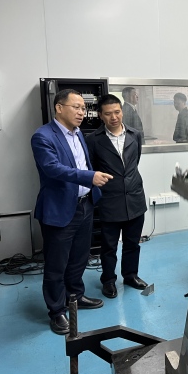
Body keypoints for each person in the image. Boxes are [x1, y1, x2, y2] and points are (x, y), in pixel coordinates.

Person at [31, 89, 113, 335]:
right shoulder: (43, 136)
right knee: (56, 264)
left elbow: (82, 162)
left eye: (84, 108)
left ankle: (75, 296)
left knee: (79, 257)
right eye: (76, 107)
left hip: (84, 205)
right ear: (59, 108)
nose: (82, 113)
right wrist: (90, 177)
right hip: (59, 209)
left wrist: (90, 187)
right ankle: (57, 311)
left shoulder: (78, 134)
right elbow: (53, 168)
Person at [86, 94, 148, 299]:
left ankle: (130, 276)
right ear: (100, 115)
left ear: (122, 111)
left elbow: (134, 163)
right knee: (109, 246)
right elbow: (92, 169)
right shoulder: (93, 140)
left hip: (135, 198)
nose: (114, 117)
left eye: (117, 112)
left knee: (132, 243)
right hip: (109, 200)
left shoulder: (135, 134)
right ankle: (108, 280)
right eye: (108, 114)